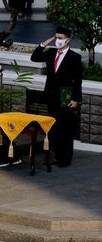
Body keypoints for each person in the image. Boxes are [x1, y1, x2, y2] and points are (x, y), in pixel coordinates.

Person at [30, 27, 82, 168]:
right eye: (56, 37)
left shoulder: (74, 57)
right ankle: (58, 155)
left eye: (60, 38)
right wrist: (43, 44)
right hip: (51, 95)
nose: (57, 41)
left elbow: (78, 80)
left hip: (66, 96)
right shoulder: (51, 53)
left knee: (65, 128)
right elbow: (34, 57)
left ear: (67, 39)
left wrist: (76, 99)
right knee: (54, 127)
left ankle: (66, 158)